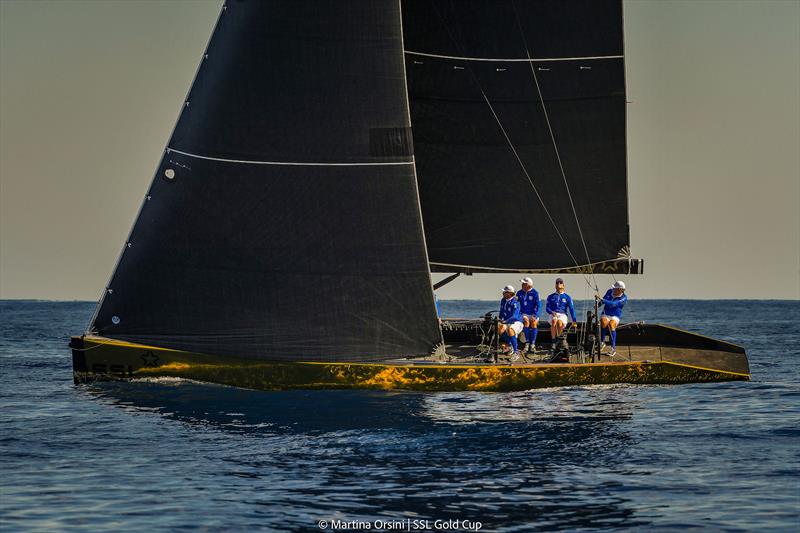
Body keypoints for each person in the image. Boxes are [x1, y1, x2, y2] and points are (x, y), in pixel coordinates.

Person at [596, 280, 628, 356]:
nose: (613, 289)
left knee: (611, 325)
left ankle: (613, 349)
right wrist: (598, 304)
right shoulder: (609, 291)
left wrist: (603, 300)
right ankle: (602, 342)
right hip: (606, 313)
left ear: (620, 290)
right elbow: (603, 300)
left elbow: (613, 304)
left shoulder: (624, 298)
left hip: (615, 315)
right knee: (603, 322)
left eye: (615, 288)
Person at [545, 278, 577, 353]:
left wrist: (574, 321)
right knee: (554, 321)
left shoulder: (567, 297)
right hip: (553, 313)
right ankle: (553, 342)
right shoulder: (550, 296)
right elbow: (547, 308)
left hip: (562, 315)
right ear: (555, 285)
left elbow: (571, 309)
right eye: (557, 283)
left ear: (563, 285)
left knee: (559, 323)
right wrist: (552, 312)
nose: (558, 284)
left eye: (560, 282)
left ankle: (559, 342)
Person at [498, 285, 523, 359]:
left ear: (510, 293)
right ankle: (510, 344)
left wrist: (505, 321)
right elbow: (501, 312)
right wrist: (500, 320)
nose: (503, 293)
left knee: (510, 330)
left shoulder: (515, 303)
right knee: (499, 328)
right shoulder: (503, 300)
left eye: (505, 292)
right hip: (506, 321)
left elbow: (515, 317)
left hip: (517, 322)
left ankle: (516, 352)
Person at [516, 277, 539, 353]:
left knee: (534, 324)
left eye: (524, 283)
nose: (522, 285)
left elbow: (538, 305)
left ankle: (532, 344)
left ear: (529, 285)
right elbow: (517, 305)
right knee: (526, 322)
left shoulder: (535, 293)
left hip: (533, 314)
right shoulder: (519, 293)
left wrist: (534, 315)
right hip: (523, 313)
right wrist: (519, 314)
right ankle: (527, 343)